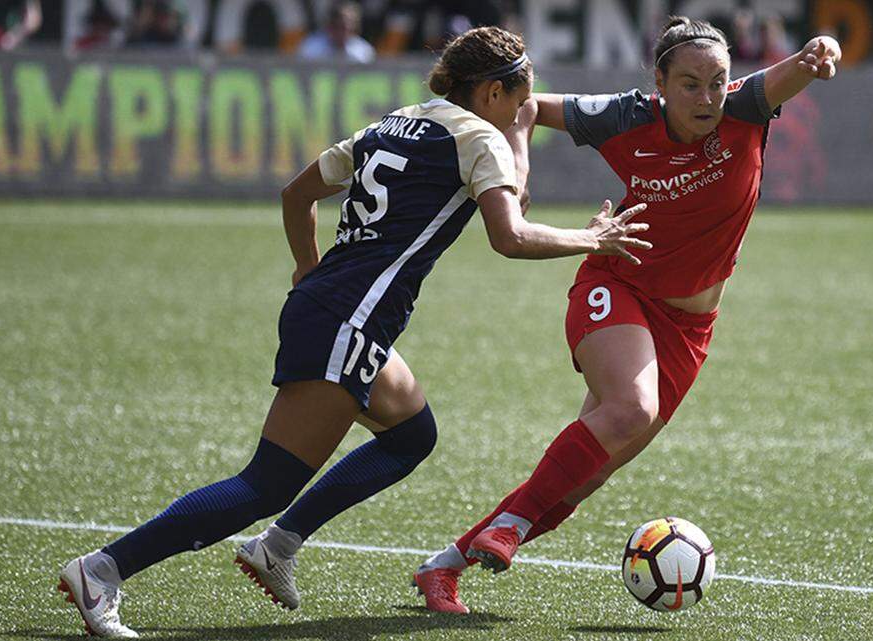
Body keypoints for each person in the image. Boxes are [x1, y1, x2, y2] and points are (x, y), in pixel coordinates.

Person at [56, 25, 649, 638]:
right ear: (493, 93)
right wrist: (593, 238)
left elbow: (297, 195)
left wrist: (308, 271)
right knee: (266, 482)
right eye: (521, 100)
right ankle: (103, 570)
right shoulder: (480, 137)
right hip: (350, 319)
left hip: (335, 307)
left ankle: (278, 546)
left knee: (411, 435)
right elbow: (512, 233)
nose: (521, 111)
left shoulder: (395, 122)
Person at [414, 15, 841, 613]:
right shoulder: (625, 115)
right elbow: (529, 108)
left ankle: (443, 568)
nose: (708, 97)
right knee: (632, 408)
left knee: (584, 478)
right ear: (659, 84)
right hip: (618, 286)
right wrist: (519, 170)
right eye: (689, 84)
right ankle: (507, 529)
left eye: (717, 81)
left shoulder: (747, 107)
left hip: (689, 329)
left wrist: (821, 49)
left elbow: (802, 62)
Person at [298, 1, 375, 64]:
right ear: (329, 27)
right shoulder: (311, 48)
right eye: (338, 27)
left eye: (347, 29)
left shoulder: (364, 52)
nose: (342, 33)